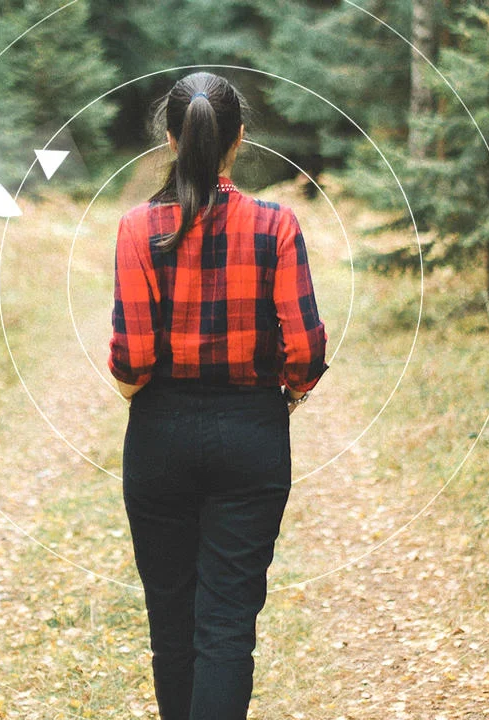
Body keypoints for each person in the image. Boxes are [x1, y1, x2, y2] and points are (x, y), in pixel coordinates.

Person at [107, 71, 329, 720]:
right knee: (228, 624)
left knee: (170, 624)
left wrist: (147, 396)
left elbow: (131, 359)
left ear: (172, 139)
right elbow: (306, 352)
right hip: (252, 434)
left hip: (160, 436)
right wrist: (288, 394)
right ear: (239, 141)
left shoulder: (137, 227)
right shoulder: (276, 225)